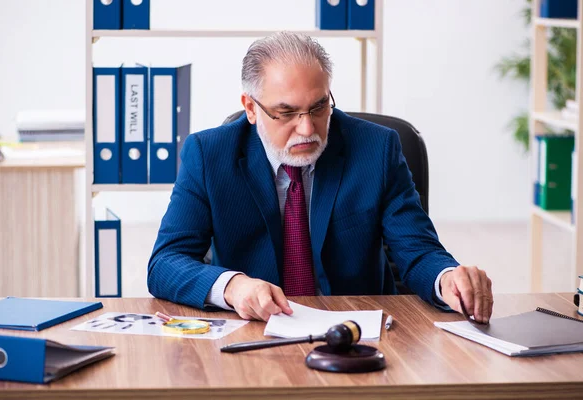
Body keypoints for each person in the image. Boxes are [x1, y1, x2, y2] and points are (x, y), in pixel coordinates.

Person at [147, 32, 493, 323]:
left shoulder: (377, 148)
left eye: (318, 107)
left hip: (358, 329)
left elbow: (416, 250)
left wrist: (448, 278)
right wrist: (233, 287)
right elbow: (165, 263)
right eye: (286, 113)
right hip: (254, 330)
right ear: (251, 108)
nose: (307, 128)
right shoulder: (210, 155)